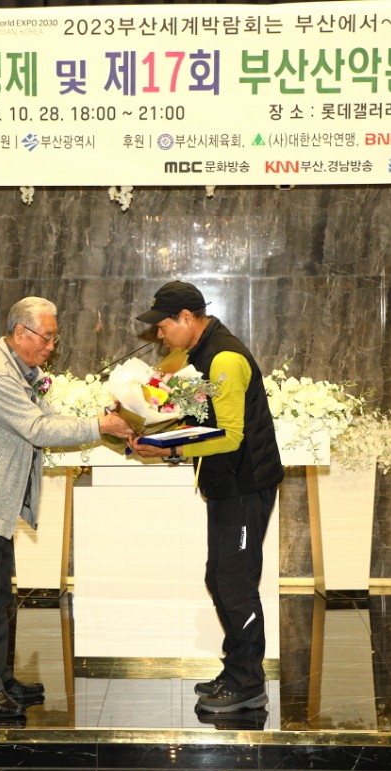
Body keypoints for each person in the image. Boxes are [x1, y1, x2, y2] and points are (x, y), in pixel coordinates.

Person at [0, 296, 133, 721]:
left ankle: (0, 678)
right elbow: (38, 429)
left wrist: (98, 420)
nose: (51, 346)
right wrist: (99, 426)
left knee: (0, 598)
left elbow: (49, 415)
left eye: (54, 338)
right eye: (46, 337)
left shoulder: (21, 372)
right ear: (20, 333)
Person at [128, 282, 284, 714]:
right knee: (219, 578)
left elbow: (229, 436)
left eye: (163, 325)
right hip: (226, 486)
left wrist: (169, 450)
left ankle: (248, 683)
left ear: (186, 317)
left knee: (235, 582)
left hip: (245, 486)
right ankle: (235, 670)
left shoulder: (225, 359)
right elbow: (198, 415)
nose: (160, 335)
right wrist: (148, 424)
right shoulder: (199, 356)